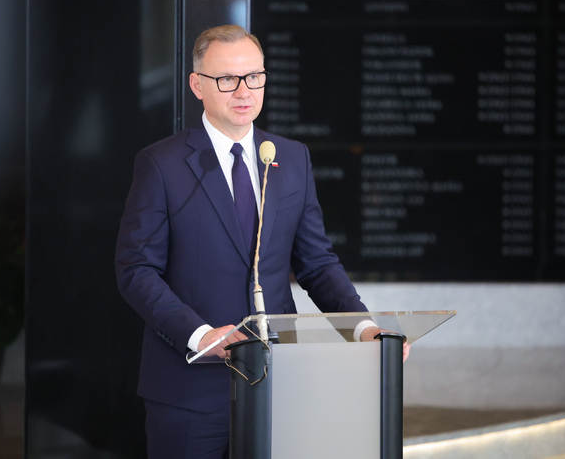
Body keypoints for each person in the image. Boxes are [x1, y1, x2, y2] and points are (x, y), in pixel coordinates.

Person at [115, 24, 409, 458]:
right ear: (197, 85)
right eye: (227, 79)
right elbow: (136, 270)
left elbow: (317, 262)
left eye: (254, 77)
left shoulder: (290, 158)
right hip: (189, 388)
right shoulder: (161, 164)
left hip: (277, 380)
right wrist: (200, 335)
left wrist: (363, 327)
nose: (243, 91)